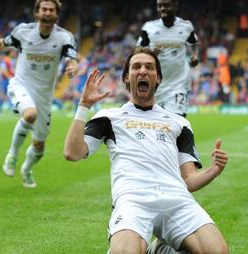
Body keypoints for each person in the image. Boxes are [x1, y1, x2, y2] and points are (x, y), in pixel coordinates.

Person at [63, 47, 229, 254]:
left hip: (176, 200)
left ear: (158, 78)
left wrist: (214, 170)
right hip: (133, 200)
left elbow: (189, 180)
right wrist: (84, 105)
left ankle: (161, 249)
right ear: (126, 77)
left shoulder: (179, 123)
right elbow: (72, 152)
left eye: (149, 67)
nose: (143, 71)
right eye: (136, 67)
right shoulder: (109, 117)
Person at [0, 0, 78, 187]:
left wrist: (72, 67)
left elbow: (72, 59)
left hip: (44, 96)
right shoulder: (23, 31)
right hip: (21, 85)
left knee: (39, 146)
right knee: (29, 114)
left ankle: (26, 169)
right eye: (44, 9)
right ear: (36, 13)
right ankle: (12, 154)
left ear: (57, 15)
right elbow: (0, 44)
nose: (47, 13)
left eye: (51, 10)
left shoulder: (64, 37)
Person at [137, 0, 199, 117]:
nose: (162, 9)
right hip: (155, 86)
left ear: (175, 5)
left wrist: (194, 55)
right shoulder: (149, 28)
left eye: (166, 5)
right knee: (154, 125)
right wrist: (151, 52)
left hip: (179, 84)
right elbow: (136, 52)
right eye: (159, 6)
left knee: (177, 122)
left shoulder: (186, 26)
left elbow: (194, 43)